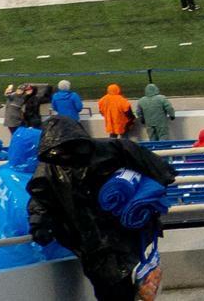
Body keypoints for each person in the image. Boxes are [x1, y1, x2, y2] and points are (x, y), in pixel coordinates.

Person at [28, 116, 179, 301]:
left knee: (122, 284)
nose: (66, 156)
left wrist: (143, 194)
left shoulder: (112, 150)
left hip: (123, 233)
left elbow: (159, 170)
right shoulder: (51, 168)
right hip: (91, 240)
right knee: (110, 286)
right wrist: (39, 224)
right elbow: (41, 199)